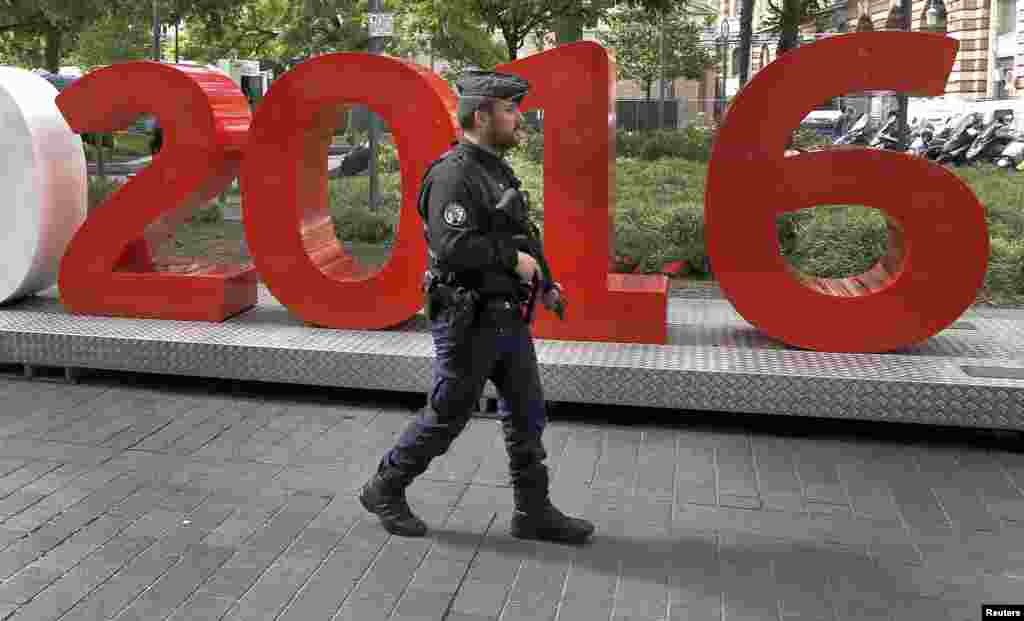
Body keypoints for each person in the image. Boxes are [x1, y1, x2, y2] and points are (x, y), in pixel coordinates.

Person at [359, 70, 595, 545]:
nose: (518, 117)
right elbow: (452, 246)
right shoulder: (453, 173)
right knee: (448, 414)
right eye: (509, 110)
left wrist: (544, 281)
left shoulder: (496, 169)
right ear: (482, 115)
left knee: (526, 414)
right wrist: (513, 261)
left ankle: (534, 511)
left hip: (506, 314)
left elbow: (521, 233)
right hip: (467, 317)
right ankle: (384, 486)